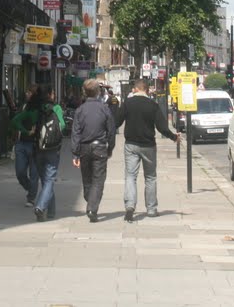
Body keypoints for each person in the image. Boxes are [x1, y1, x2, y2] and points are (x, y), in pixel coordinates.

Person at [115, 77, 180, 222]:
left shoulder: (128, 103)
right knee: (150, 177)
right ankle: (151, 209)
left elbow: (116, 121)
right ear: (146, 90)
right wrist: (173, 137)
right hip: (148, 145)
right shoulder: (153, 105)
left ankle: (130, 206)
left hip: (131, 144)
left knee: (131, 176)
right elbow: (162, 127)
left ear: (136, 89)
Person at [70, 78, 116, 223]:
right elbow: (111, 131)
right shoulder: (104, 108)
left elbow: (75, 132)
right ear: (98, 92)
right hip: (100, 147)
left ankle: (90, 200)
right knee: (98, 179)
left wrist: (75, 153)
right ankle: (92, 207)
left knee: (87, 178)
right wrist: (110, 147)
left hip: (84, 148)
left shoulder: (80, 110)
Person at [28, 85, 65, 222]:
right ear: (50, 94)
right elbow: (62, 125)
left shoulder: (35, 108)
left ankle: (51, 212)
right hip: (53, 149)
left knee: (45, 180)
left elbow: (28, 122)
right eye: (53, 92)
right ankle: (40, 207)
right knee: (49, 180)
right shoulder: (56, 108)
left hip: (38, 148)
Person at [9, 84, 40, 206]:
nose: (27, 94)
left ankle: (31, 197)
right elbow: (15, 122)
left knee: (34, 173)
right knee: (20, 172)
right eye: (27, 91)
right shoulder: (23, 106)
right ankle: (31, 189)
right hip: (21, 143)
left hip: (34, 144)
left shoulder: (40, 108)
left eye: (29, 92)